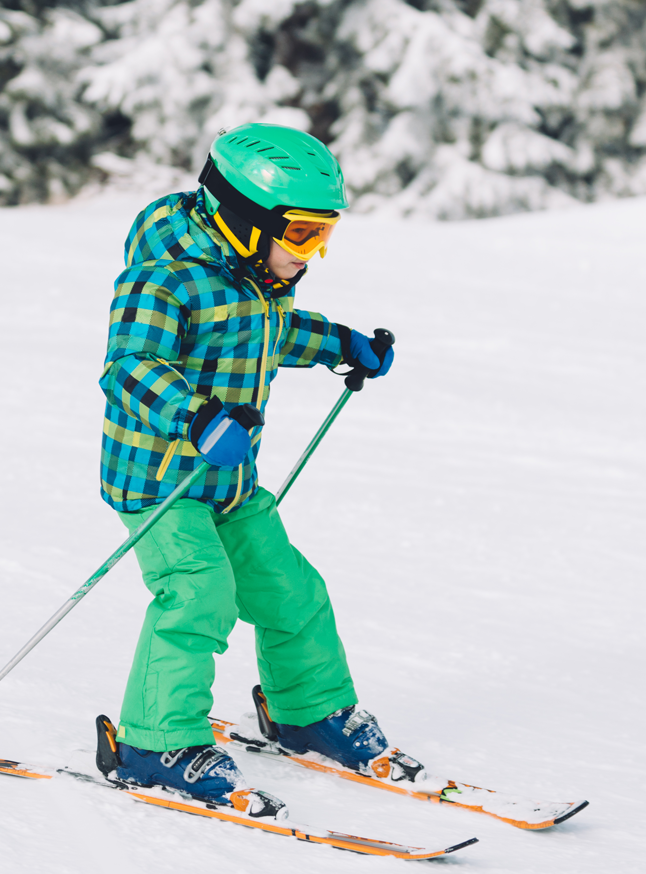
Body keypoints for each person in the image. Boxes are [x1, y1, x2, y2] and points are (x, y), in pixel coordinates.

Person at [94, 123, 417, 817]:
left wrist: (344, 345)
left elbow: (276, 332)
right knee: (198, 592)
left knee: (290, 589)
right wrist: (195, 414)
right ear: (244, 221)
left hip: (228, 484)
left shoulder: (258, 278)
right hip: (159, 479)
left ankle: (307, 711)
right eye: (301, 234)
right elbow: (128, 368)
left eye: (324, 235)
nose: (314, 253)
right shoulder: (165, 277)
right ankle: (155, 742)